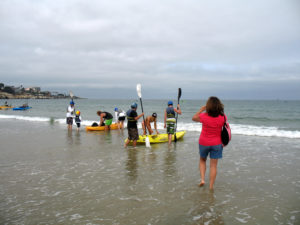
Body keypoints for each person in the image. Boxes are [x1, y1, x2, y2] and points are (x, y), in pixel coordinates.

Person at [192, 96, 227, 190]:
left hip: (203, 142)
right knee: (213, 166)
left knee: (202, 160)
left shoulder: (204, 116)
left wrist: (201, 110)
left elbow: (194, 118)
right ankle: (211, 186)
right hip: (217, 143)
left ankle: (203, 179)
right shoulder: (223, 117)